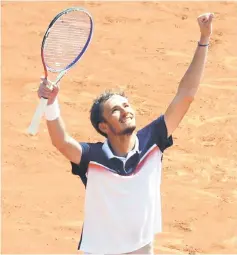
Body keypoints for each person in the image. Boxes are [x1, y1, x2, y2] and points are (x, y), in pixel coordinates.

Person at [38, 13, 214, 255]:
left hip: (142, 247)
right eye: (115, 110)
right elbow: (61, 142)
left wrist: (204, 40)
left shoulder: (153, 140)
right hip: (101, 251)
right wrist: (51, 104)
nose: (125, 111)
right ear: (103, 127)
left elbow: (186, 95)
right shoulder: (93, 157)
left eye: (126, 105)